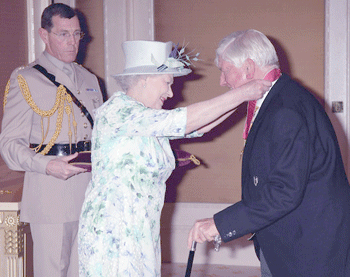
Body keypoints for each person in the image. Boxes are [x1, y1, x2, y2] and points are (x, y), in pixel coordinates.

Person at [78, 40, 271, 276]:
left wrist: (242, 97)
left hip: (140, 227)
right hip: (113, 230)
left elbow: (201, 127)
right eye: (167, 83)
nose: (170, 93)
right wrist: (243, 92)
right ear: (145, 78)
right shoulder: (118, 111)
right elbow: (185, 120)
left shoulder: (146, 119)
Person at [187, 29, 350, 277]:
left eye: (225, 69)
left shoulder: (286, 109)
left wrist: (221, 224)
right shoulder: (280, 98)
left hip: (308, 249)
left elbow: (284, 191)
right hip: (293, 238)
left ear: (248, 68)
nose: (222, 80)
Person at [0, 3, 103, 277]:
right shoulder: (27, 79)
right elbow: (9, 146)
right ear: (44, 35)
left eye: (77, 34)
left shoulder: (90, 78)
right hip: (50, 196)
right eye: (63, 34)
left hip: (90, 194)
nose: (72, 42)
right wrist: (47, 165)